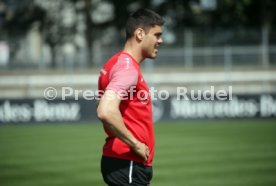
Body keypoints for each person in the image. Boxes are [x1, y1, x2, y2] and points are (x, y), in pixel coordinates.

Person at [97, 8, 164, 186]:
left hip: (126, 164)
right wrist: (135, 144)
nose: (161, 40)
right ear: (140, 34)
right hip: (128, 162)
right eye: (157, 35)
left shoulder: (117, 63)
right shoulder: (128, 69)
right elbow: (105, 111)